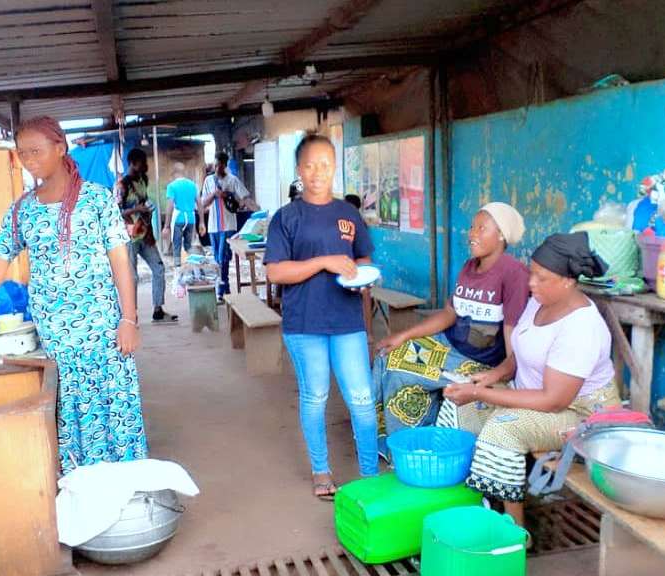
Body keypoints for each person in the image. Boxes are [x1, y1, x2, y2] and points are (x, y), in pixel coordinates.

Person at [0, 116, 149, 474]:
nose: (30, 160)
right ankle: (82, 482)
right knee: (71, 404)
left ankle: (124, 482)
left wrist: (129, 319)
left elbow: (121, 262)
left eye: (37, 151)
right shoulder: (21, 211)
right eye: (22, 153)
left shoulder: (96, 200)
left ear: (61, 148)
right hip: (57, 333)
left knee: (112, 400)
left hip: (103, 328)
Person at [443, 232, 618, 526]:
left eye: (541, 277)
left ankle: (514, 530)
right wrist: (492, 376)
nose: (530, 283)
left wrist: (481, 394)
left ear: (568, 281)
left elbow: (553, 400)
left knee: (503, 430)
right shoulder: (539, 302)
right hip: (531, 397)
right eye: (531, 274)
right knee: (457, 406)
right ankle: (471, 501)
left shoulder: (582, 327)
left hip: (578, 415)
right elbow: (521, 354)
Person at [265, 134, 378, 500]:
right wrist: (324, 262)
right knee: (315, 396)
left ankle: (371, 475)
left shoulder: (348, 213)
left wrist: (362, 274)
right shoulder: (287, 218)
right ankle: (321, 470)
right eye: (310, 165)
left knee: (361, 399)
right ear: (299, 170)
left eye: (326, 165)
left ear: (335, 168)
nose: (318, 173)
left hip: (347, 321)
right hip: (305, 323)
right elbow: (276, 273)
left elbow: (362, 258)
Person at [373, 202, 529, 440]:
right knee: (388, 356)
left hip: (479, 362)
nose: (472, 234)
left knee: (402, 372)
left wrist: (504, 374)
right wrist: (403, 335)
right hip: (450, 346)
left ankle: (415, 444)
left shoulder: (513, 273)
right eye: (472, 227)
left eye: (481, 228)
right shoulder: (469, 267)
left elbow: (513, 331)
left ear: (501, 235)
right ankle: (384, 439)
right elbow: (449, 313)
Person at [117, 148, 176, 323]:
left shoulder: (143, 180)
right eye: (142, 163)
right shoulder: (122, 185)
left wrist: (149, 231)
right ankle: (131, 316)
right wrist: (136, 209)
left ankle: (158, 310)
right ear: (133, 163)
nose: (145, 166)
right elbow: (116, 212)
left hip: (144, 234)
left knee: (159, 268)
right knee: (132, 277)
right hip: (128, 237)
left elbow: (145, 208)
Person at [199, 152, 249, 298]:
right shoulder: (209, 181)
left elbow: (243, 199)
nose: (217, 169)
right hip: (213, 226)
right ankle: (224, 289)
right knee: (217, 259)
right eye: (215, 166)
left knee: (223, 258)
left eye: (220, 166)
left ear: (225, 166)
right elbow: (203, 203)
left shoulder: (232, 180)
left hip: (228, 225)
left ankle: (221, 290)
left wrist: (229, 196)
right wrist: (214, 194)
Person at [164, 161, 199, 267]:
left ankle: (178, 267)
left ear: (174, 173)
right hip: (191, 218)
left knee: (177, 244)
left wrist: (166, 226)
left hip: (178, 218)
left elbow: (170, 206)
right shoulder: (193, 185)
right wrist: (202, 221)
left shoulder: (172, 186)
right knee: (189, 245)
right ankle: (191, 266)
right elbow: (200, 203)